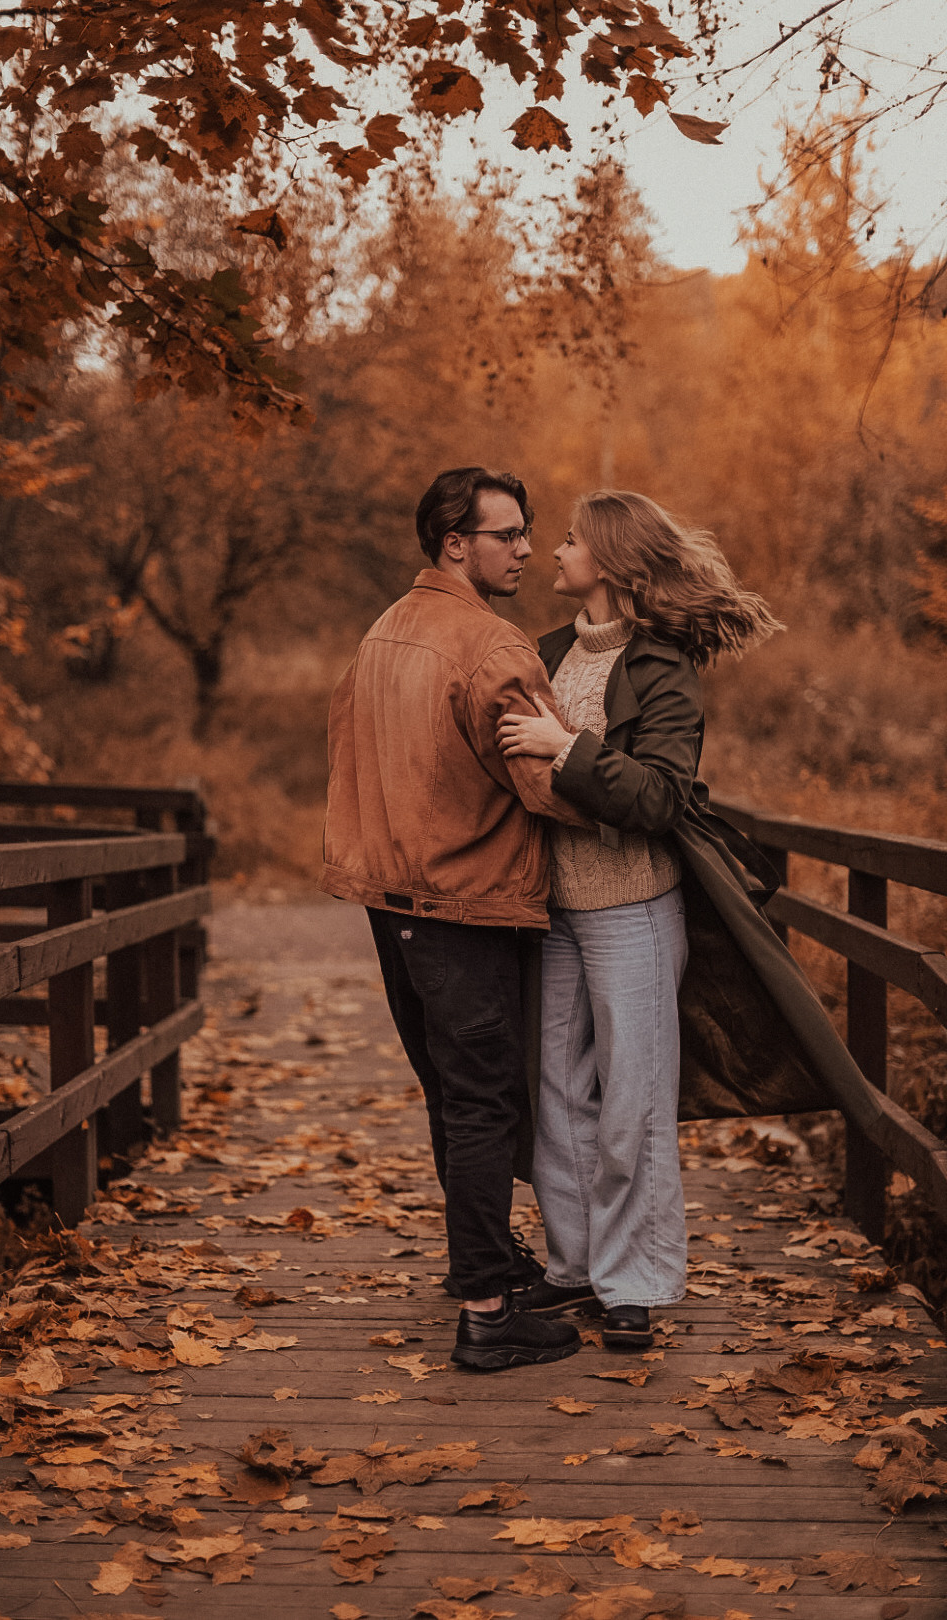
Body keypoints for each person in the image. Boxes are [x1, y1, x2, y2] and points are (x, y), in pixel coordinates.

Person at [497, 490, 784, 1351]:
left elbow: (659, 796)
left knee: (632, 1103)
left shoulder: (662, 667)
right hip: (550, 910)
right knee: (556, 1095)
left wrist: (568, 748)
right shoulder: (544, 654)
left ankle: (635, 1281)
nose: (553, 550)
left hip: (632, 909)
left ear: (612, 563)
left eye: (572, 540)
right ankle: (575, 1265)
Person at [321, 466, 593, 1371]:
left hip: (393, 902)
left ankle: (482, 1264)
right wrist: (620, 779)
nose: (524, 549)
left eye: (527, 533)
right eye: (506, 534)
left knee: (452, 1096)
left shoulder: (382, 633)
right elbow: (551, 789)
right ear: (454, 544)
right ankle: (487, 1313)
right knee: (484, 1102)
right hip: (467, 903)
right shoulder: (491, 647)